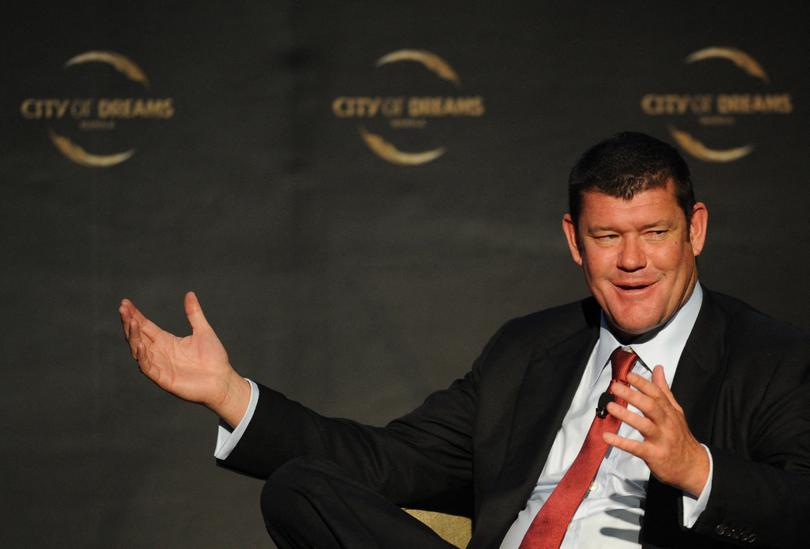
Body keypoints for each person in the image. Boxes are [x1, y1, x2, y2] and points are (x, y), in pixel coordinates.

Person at [119, 132, 810, 548]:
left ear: (695, 230)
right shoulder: (528, 352)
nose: (632, 260)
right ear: (575, 241)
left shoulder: (768, 358)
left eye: (654, 234)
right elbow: (388, 462)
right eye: (607, 236)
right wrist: (230, 394)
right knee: (300, 487)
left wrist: (696, 467)